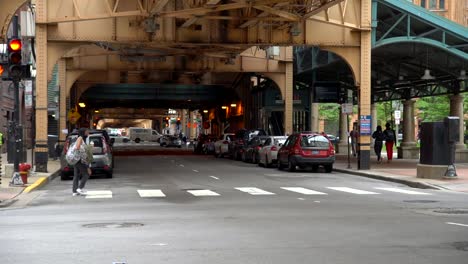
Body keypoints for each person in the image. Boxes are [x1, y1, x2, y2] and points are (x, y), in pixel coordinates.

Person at [72, 128, 92, 196]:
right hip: (80, 159)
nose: (88, 133)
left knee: (76, 175)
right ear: (83, 132)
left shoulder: (82, 139)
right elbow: (77, 147)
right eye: (87, 131)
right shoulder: (80, 138)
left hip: (77, 159)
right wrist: (84, 150)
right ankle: (79, 188)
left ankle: (75, 191)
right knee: (87, 174)